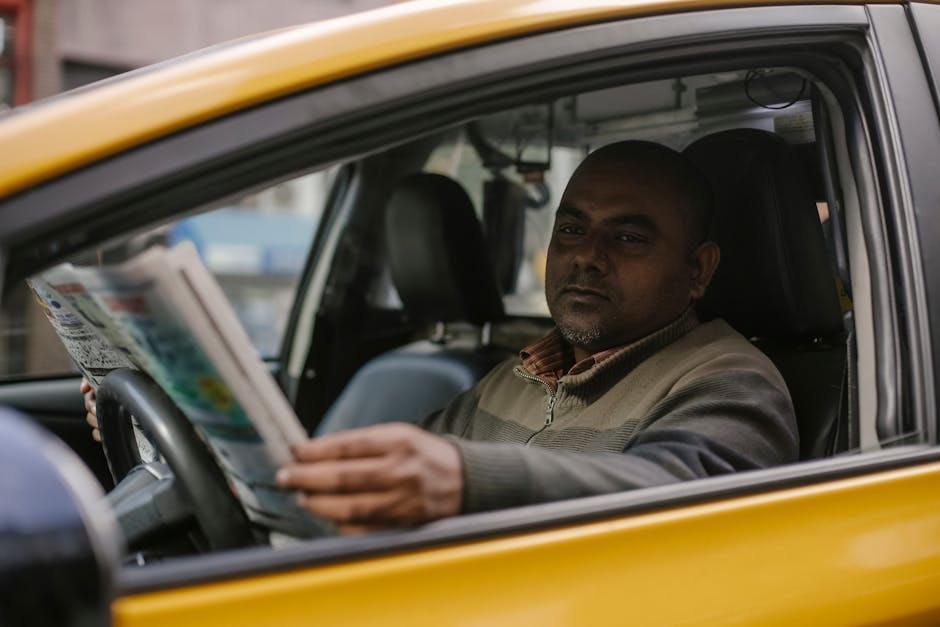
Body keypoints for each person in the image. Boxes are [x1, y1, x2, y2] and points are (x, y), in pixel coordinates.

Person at [84, 140, 799, 535]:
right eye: (573, 227)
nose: (588, 255)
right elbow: (371, 481)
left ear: (698, 270)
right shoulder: (520, 372)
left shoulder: (730, 378)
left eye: (629, 236)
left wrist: (463, 479)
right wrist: (193, 434)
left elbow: (681, 498)